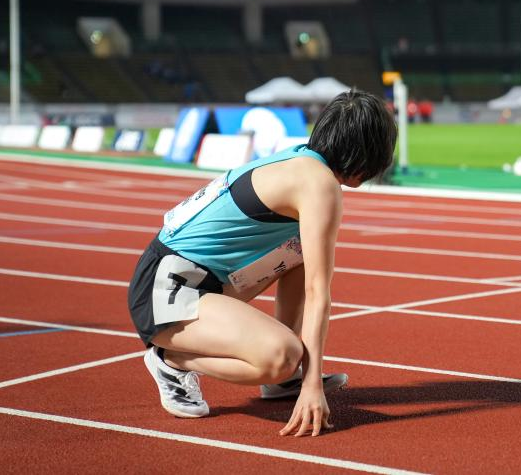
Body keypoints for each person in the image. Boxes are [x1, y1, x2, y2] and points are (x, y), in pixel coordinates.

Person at [127, 90, 396, 436]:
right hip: (166, 292)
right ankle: (170, 360)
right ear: (367, 153)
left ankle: (283, 380)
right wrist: (312, 384)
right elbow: (319, 293)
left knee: (301, 249)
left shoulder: (302, 160)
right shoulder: (319, 185)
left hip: (186, 278)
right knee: (281, 355)